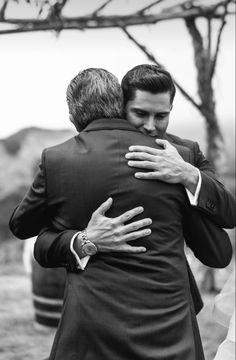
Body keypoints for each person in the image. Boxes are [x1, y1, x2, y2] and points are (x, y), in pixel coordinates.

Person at [9, 68, 234, 360]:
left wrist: (189, 175)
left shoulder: (183, 155)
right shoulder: (63, 160)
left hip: (103, 323)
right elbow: (218, 252)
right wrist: (86, 239)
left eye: (161, 116)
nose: (151, 127)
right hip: (164, 328)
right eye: (141, 113)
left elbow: (29, 231)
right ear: (120, 106)